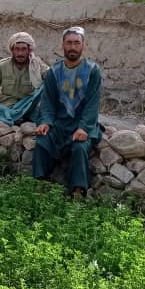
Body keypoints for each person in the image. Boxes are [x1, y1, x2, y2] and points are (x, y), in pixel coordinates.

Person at [32, 26, 104, 196]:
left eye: (76, 43)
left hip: (83, 125)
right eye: (69, 43)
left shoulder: (92, 71)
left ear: (83, 46)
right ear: (62, 45)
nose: (73, 47)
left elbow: (92, 104)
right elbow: (48, 102)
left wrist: (84, 127)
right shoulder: (53, 72)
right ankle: (39, 185)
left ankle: (77, 191)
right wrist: (45, 122)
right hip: (59, 124)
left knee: (80, 148)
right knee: (42, 142)